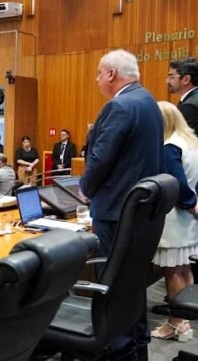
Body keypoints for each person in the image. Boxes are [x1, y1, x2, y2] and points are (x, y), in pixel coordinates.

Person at [80, 49, 164, 360]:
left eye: (100, 73)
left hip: (115, 212)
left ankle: (119, 351)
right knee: (131, 285)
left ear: (112, 74)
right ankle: (136, 348)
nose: (97, 79)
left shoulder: (119, 106)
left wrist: (85, 190)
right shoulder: (148, 102)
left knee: (113, 287)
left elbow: (100, 158)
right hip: (137, 214)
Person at [152, 101, 198, 342]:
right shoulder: (193, 144)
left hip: (175, 216)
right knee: (185, 268)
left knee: (173, 270)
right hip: (191, 219)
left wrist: (191, 204)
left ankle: (176, 323)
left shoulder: (169, 146)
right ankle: (186, 319)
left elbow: (176, 184)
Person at [167, 58, 198, 222]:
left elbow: (183, 144)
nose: (168, 81)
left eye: (172, 76)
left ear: (186, 79)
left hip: (193, 177)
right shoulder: (197, 100)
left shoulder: (191, 106)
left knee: (189, 225)